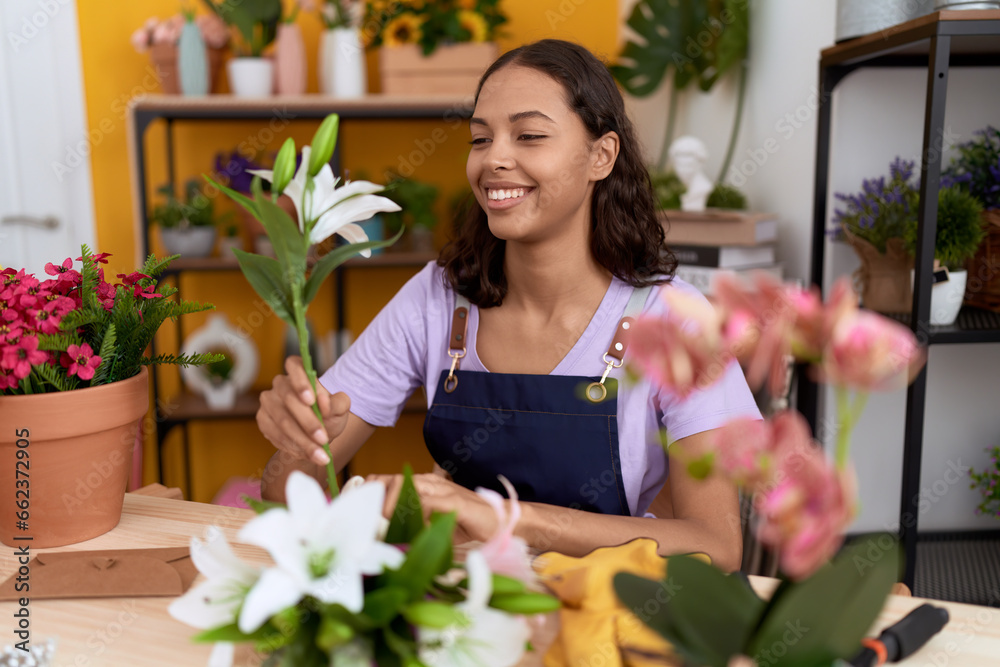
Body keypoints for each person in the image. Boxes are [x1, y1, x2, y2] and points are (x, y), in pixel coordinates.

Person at [256, 39, 760, 571]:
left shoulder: (677, 319)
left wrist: (502, 518)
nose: (494, 158)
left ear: (601, 156)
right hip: (464, 615)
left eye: (530, 136)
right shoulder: (437, 298)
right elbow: (282, 493)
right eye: (480, 138)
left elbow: (717, 547)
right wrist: (298, 442)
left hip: (608, 622)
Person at [668, 135, 713, 212]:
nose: (681, 170)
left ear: (700, 164)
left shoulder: (702, 188)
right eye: (679, 165)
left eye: (687, 165)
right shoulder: (691, 188)